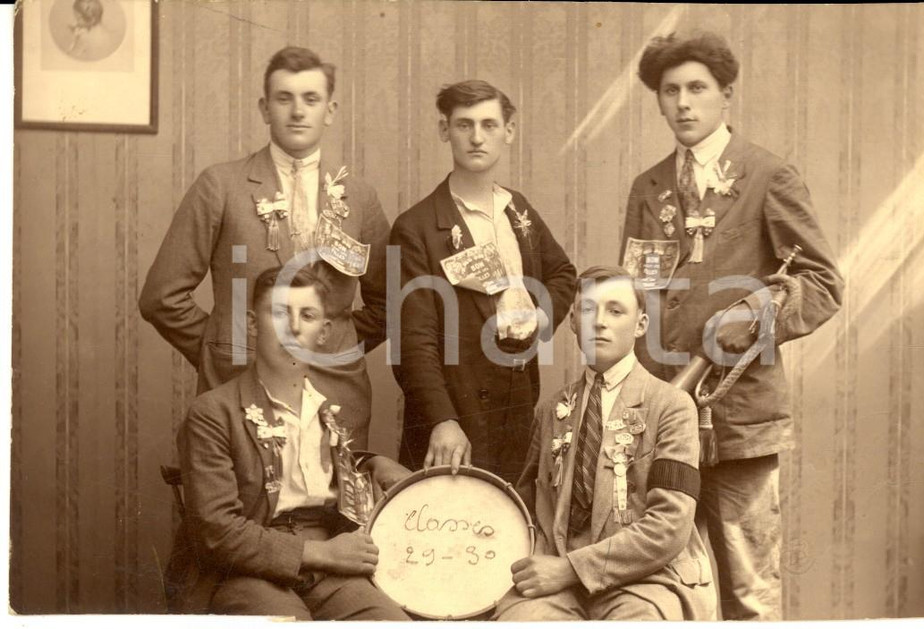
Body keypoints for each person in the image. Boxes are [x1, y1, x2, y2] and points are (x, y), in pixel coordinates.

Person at [621, 32, 845, 620]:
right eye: (670, 91)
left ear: (726, 95)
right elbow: (638, 292)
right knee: (668, 581)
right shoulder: (646, 188)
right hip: (663, 418)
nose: (683, 103)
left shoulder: (768, 175)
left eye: (697, 88)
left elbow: (823, 284)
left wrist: (755, 315)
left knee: (748, 587)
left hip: (739, 417)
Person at [140, 46, 389, 448]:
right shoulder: (220, 185)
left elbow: (389, 303)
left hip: (336, 394)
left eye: (311, 99)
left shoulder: (359, 196)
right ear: (264, 108)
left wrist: (334, 339)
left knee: (335, 505)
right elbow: (161, 297)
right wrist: (223, 345)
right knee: (246, 503)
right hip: (242, 381)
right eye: (284, 98)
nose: (297, 112)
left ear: (330, 110)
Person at [164, 265, 411, 619]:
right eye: (279, 313)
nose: (293, 328)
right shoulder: (213, 413)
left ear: (323, 332)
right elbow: (218, 532)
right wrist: (320, 553)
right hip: (244, 572)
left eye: (307, 316)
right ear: (252, 324)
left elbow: (324, 478)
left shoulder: (327, 411)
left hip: (327, 568)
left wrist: (371, 463)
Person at [495, 266, 716, 621]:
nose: (599, 322)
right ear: (572, 322)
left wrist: (573, 568)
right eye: (587, 310)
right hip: (558, 583)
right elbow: (528, 511)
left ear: (641, 324)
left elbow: (669, 525)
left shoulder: (672, 406)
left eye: (615, 311)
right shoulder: (552, 410)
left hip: (647, 579)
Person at [390, 80, 576, 483]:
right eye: (464, 125)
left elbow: (563, 275)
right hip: (455, 412)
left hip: (517, 404)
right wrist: (442, 420)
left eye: (489, 125)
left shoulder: (518, 211)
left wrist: (539, 317)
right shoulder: (417, 227)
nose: (477, 137)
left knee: (513, 525)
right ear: (445, 131)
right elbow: (413, 341)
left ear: (508, 131)